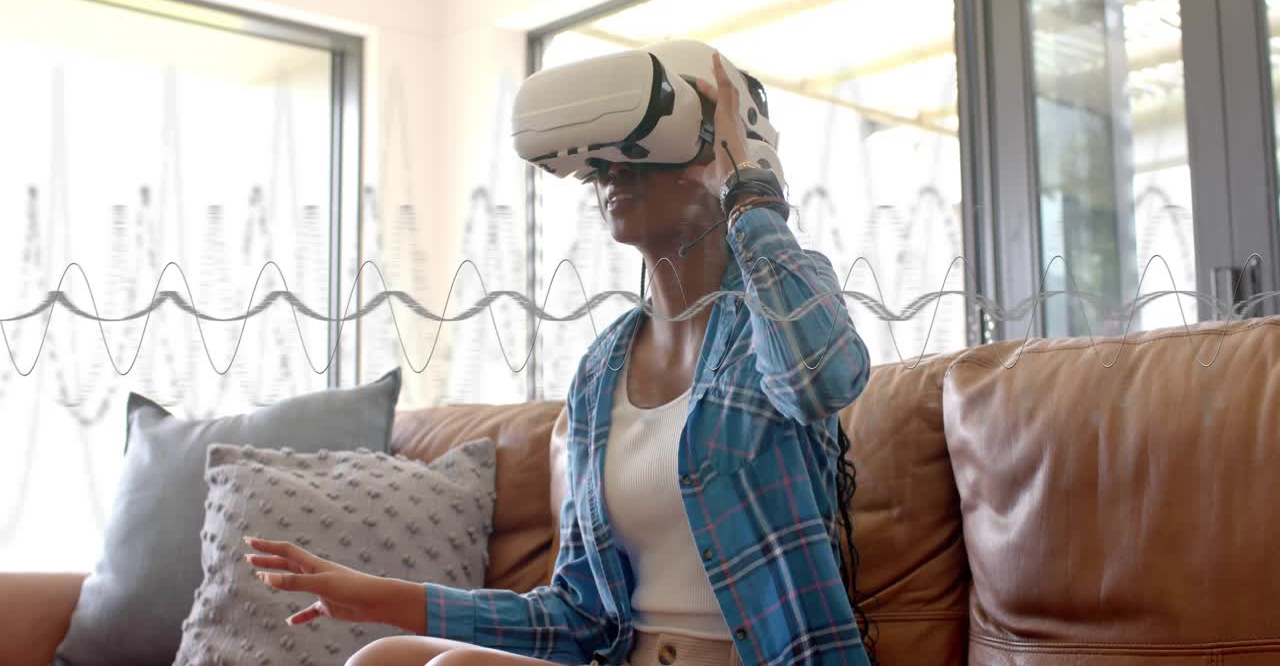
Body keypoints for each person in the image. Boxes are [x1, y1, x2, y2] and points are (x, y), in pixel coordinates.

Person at [244, 49, 874, 666]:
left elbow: (821, 379)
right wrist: (374, 595)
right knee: (385, 659)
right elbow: (579, 619)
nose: (611, 172)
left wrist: (749, 187)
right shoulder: (602, 371)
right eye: (601, 160)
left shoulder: (777, 312)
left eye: (643, 148)